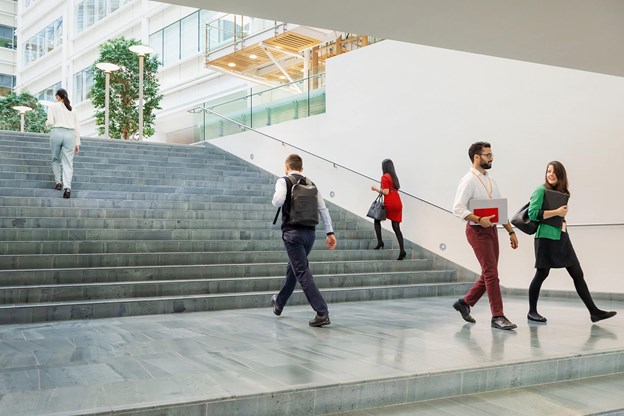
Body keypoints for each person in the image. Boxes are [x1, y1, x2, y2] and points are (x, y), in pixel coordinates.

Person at [526, 161, 616, 324]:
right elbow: (533, 214)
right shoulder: (541, 190)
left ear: (561, 174)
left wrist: (562, 219)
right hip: (545, 238)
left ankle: (594, 312)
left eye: (554, 171)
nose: (550, 174)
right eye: (548, 171)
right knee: (542, 273)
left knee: (577, 274)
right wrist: (557, 212)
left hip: (562, 237)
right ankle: (532, 311)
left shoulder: (562, 192)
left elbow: (557, 215)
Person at [452, 141, 519, 330]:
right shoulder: (468, 180)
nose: (491, 158)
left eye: (491, 155)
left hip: (491, 230)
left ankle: (464, 303)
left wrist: (510, 231)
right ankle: (497, 316)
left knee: (489, 272)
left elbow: (500, 209)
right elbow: (457, 208)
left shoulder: (490, 181)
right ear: (476, 157)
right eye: (487, 155)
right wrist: (478, 219)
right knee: (491, 273)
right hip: (477, 230)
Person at [271, 154, 337, 327]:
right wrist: (329, 232)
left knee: (301, 272)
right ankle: (279, 303)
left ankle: (322, 312)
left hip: (292, 234)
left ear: (286, 167)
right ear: (302, 168)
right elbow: (323, 209)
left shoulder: (283, 181)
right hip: (310, 234)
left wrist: (281, 196)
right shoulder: (311, 184)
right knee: (293, 269)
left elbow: (277, 201)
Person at [46, 88, 80, 199]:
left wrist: (46, 124)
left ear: (57, 97)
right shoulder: (73, 110)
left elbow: (50, 122)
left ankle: (58, 182)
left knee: (55, 159)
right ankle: (67, 187)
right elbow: (77, 127)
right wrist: (77, 143)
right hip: (70, 135)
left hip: (57, 132)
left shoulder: (53, 106)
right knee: (68, 162)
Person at [370, 159, 406, 260]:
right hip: (398, 202)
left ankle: (380, 242)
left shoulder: (384, 177)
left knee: (377, 219)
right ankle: (402, 251)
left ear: (384, 167)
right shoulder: (394, 177)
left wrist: (375, 188)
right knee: (396, 227)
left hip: (390, 202)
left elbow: (385, 192)